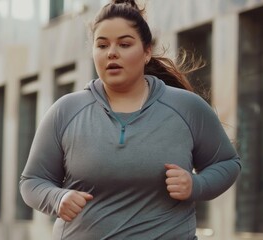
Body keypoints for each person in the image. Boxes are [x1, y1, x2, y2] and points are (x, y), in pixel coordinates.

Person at [20, 0, 241, 239]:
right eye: (102, 45)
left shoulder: (185, 107)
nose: (111, 52)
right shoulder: (66, 110)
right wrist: (57, 198)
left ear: (147, 52)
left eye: (124, 44)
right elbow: (32, 181)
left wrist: (195, 185)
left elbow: (227, 163)